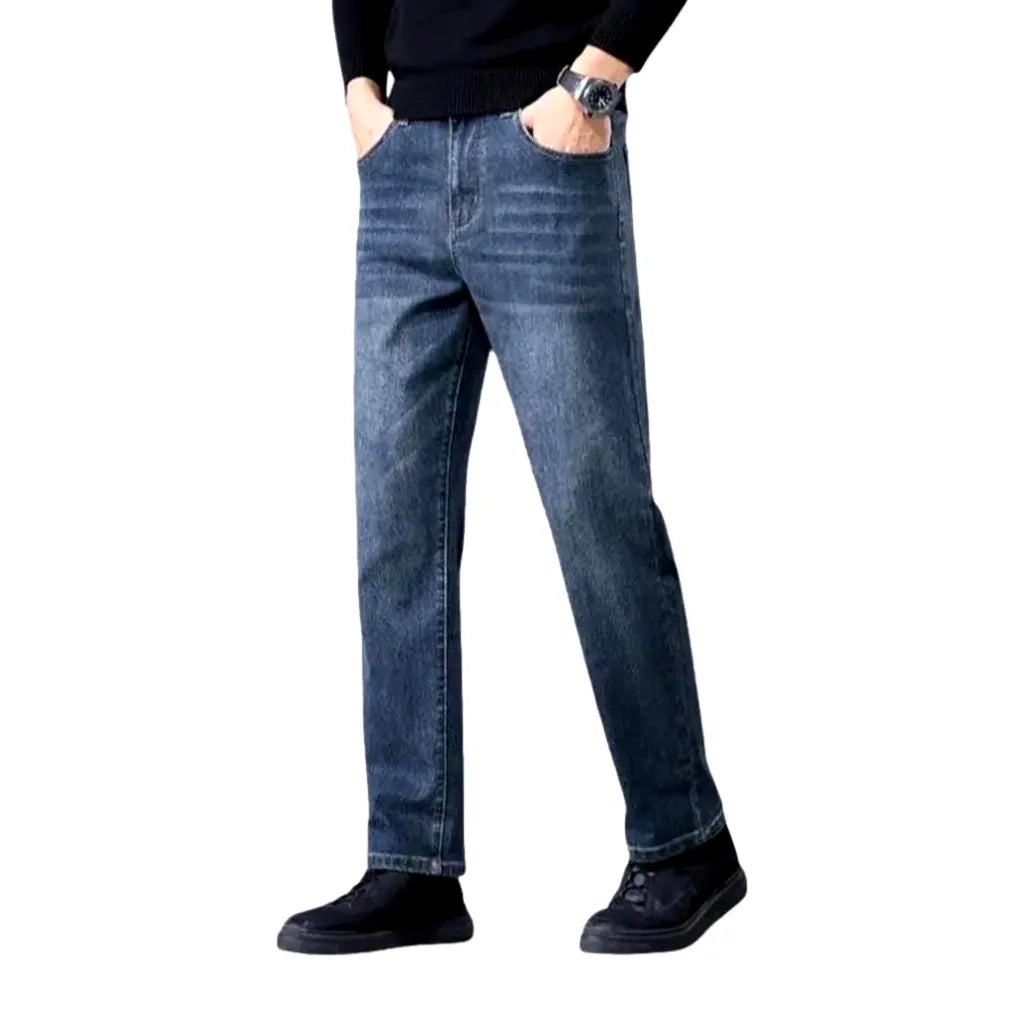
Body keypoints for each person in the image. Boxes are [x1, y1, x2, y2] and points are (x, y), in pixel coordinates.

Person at [277, 0, 746, 956]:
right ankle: (411, 863)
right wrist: (360, 89)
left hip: (545, 149)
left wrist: (592, 81)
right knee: (394, 531)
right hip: (402, 161)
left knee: (595, 511)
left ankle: (686, 843)